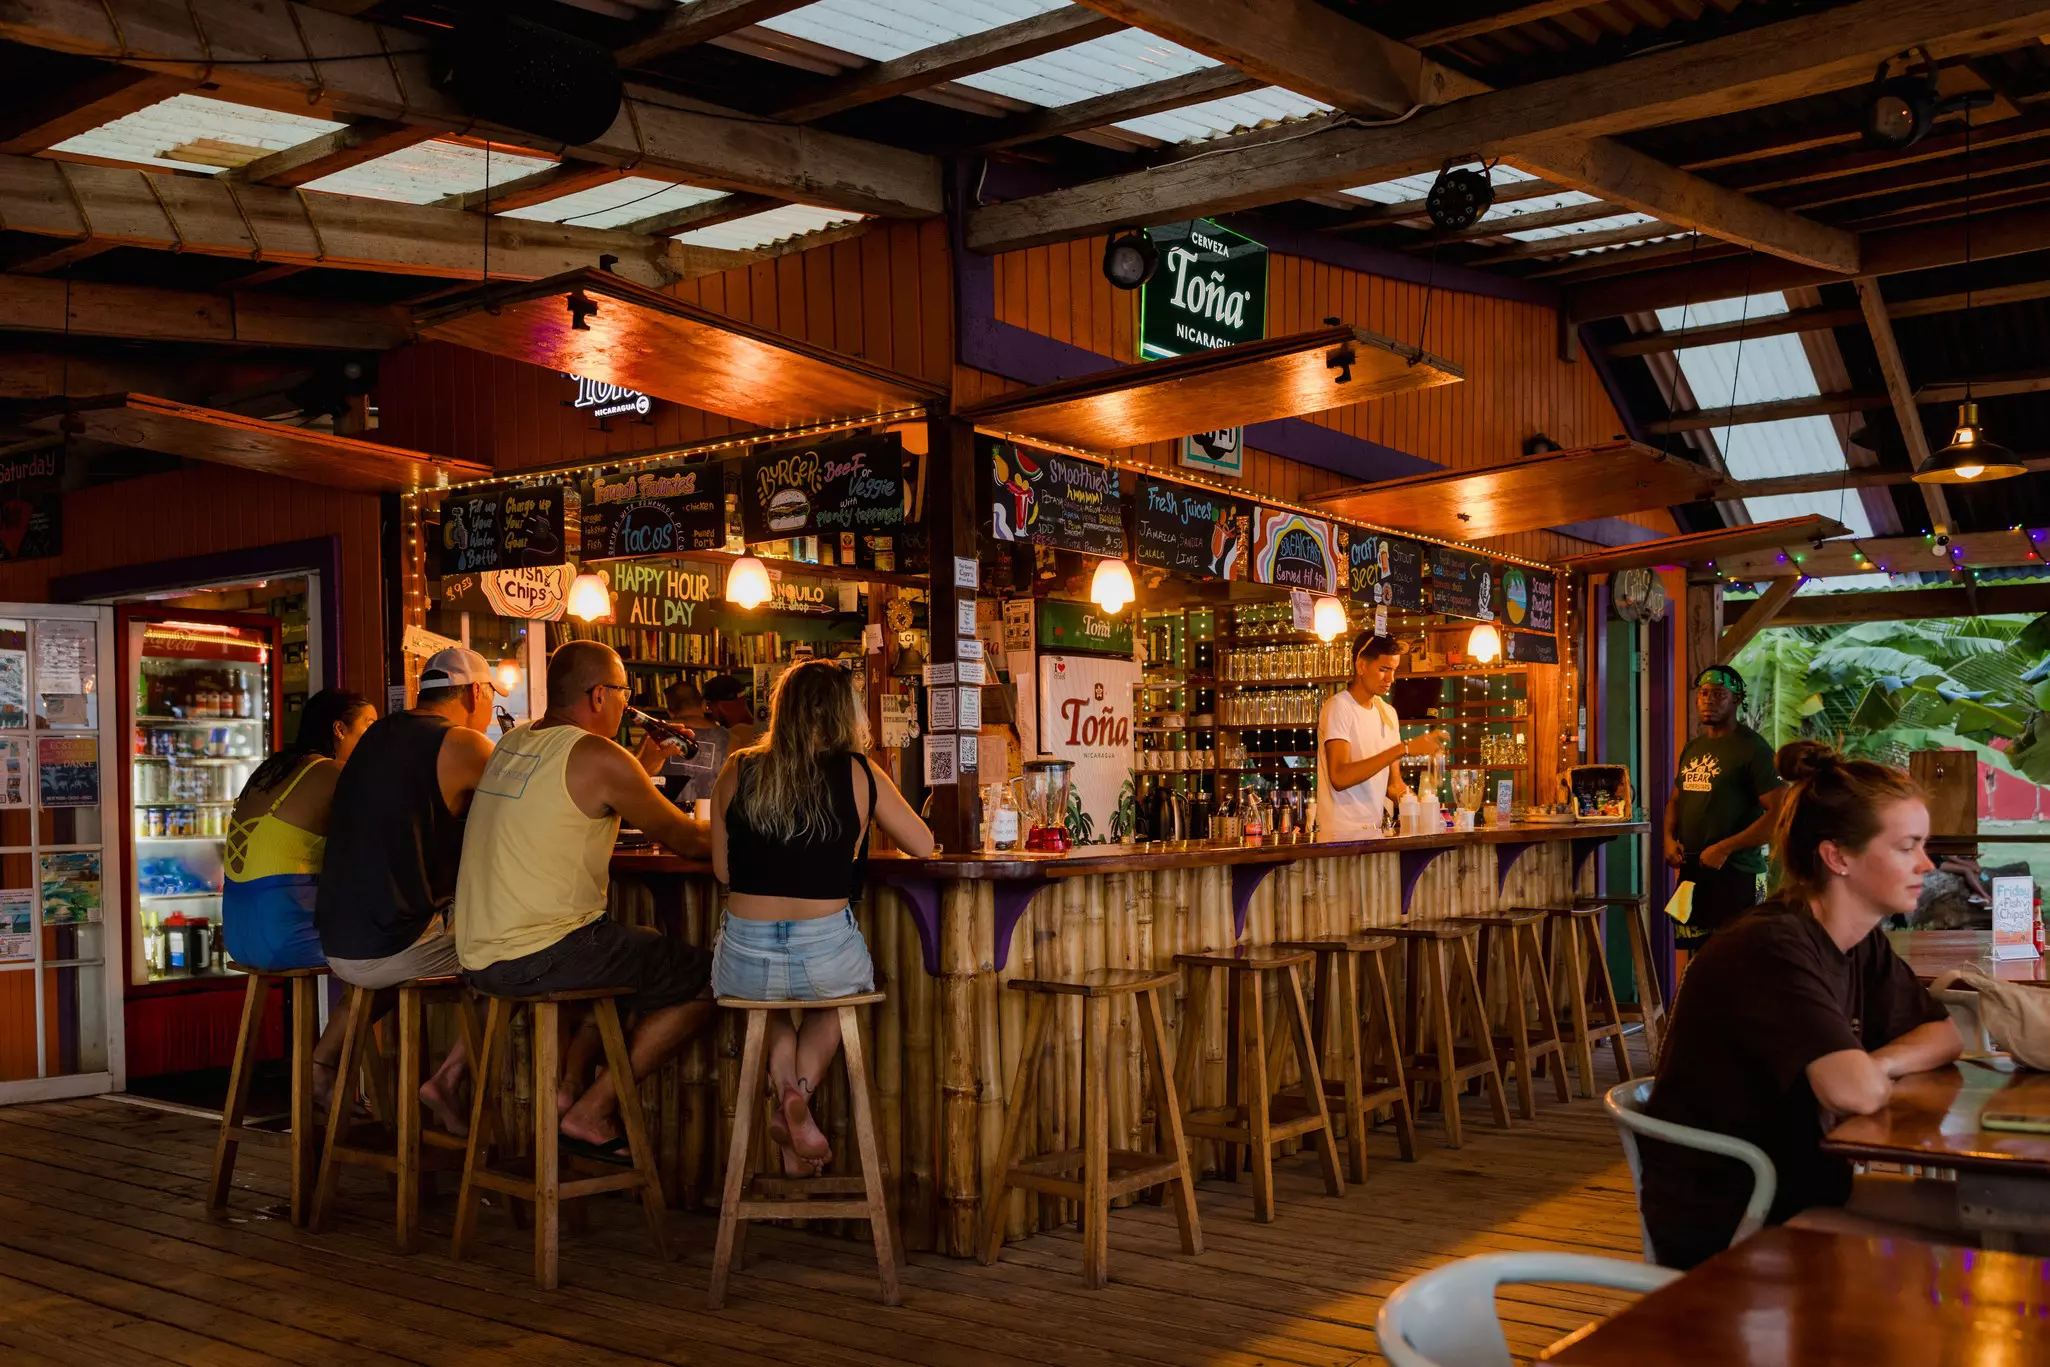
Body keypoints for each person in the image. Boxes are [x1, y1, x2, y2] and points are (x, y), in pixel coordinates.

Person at [1639, 749, 1965, 1269]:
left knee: (1990, 1224)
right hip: (1737, 1219)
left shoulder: (1859, 939)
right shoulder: (1770, 947)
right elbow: (1851, 1093)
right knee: (1981, 1242)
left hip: (1803, 1188)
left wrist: (1877, 1064)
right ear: (1838, 857)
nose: (1927, 864)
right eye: (1908, 847)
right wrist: (1864, 1075)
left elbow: (1945, 1035)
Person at [456, 640, 715, 1161]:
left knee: (623, 953)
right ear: (599, 695)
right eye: (623, 692)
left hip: (477, 956)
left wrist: (645, 760)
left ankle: (567, 1089)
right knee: (711, 978)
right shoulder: (598, 754)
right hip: (539, 954)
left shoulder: (515, 741)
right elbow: (690, 841)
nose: (627, 703)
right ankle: (592, 1109)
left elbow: (589, 796)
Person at [711, 659, 933, 1174]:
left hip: (745, 953)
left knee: (762, 1005)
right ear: (843, 713)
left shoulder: (738, 767)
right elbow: (922, 844)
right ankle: (798, 1096)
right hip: (826, 952)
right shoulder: (860, 772)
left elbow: (723, 872)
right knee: (837, 1004)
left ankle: (787, 1091)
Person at [316, 647, 501, 1133]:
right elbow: (528, 816)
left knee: (398, 937)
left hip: (339, 945)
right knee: (517, 953)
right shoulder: (465, 745)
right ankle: (448, 1079)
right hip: (392, 947)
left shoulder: (375, 735)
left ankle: (323, 1062)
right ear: (477, 692)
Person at [221, 688, 375, 1107]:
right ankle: (322, 1066)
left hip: (239, 932)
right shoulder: (335, 774)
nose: (374, 737)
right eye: (369, 727)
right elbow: (373, 846)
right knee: (385, 965)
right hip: (283, 934)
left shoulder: (270, 771)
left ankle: (328, 1070)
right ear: (340, 729)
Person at [1664, 664, 1784, 949]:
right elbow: (1676, 800)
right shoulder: (1693, 748)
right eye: (1703, 693)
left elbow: (1780, 812)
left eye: (1719, 694)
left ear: (1736, 700)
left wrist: (1725, 848)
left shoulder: (1754, 749)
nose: (1709, 700)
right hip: (1693, 872)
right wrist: (1668, 840)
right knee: (1698, 957)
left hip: (1739, 874)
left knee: (1740, 959)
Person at [1315, 631, 1444, 841]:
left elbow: (1393, 785)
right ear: (1361, 666)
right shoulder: (1339, 707)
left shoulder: (1388, 712)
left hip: (1375, 834)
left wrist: (1427, 808)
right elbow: (1339, 777)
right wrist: (1404, 748)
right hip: (1339, 837)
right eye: (1384, 669)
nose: (1391, 679)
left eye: (1393, 670)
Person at [657, 679, 726, 807]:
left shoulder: (656, 735)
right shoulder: (731, 739)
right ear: (704, 704)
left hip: (667, 818)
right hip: (714, 819)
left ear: (670, 713)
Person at [701, 673, 759, 751]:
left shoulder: (728, 739)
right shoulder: (762, 729)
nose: (710, 710)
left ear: (722, 705)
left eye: (709, 705)